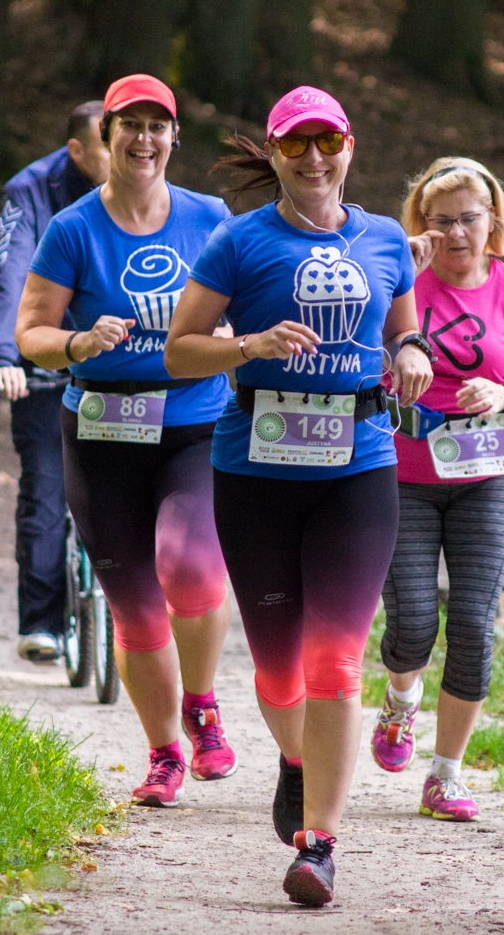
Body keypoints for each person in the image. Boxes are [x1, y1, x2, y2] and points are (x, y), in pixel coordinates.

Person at [164, 86, 433, 907]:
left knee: (333, 660)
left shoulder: (386, 238)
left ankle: (319, 844)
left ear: (350, 145)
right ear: (275, 154)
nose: (314, 159)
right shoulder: (237, 242)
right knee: (279, 670)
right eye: (295, 146)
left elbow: (402, 327)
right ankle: (294, 759)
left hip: (358, 465)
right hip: (255, 471)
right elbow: (179, 352)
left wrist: (414, 352)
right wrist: (248, 342)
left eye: (328, 142)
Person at [16, 74, 239, 807]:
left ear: (175, 137)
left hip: (194, 420)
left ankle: (202, 705)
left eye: (158, 126)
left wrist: (237, 332)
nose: (144, 140)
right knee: (136, 606)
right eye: (129, 126)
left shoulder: (209, 217)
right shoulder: (74, 228)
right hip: (103, 427)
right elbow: (32, 334)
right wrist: (79, 342)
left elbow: (253, 298)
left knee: (191, 563)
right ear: (104, 138)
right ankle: (164, 752)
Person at [372, 157, 504, 822]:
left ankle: (446, 773)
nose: (456, 231)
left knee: (473, 627)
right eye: (441, 220)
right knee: (411, 623)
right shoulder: (401, 284)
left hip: (486, 477)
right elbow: (357, 358)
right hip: (405, 474)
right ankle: (401, 701)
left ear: (494, 223)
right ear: (422, 227)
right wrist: (400, 355)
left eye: (469, 217)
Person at [0, 101, 109, 664]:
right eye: (109, 142)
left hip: (119, 370)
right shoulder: (29, 191)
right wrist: (4, 351)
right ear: (77, 152)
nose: (127, 150)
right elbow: (11, 271)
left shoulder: (149, 189)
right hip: (44, 365)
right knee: (45, 491)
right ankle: (42, 624)